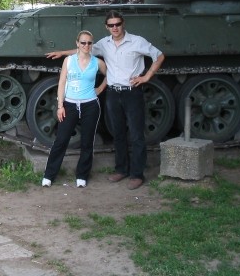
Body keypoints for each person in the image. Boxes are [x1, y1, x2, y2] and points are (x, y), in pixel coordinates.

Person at [46, 10, 165, 190]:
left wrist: (147, 76)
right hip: (113, 93)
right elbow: (84, 50)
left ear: (123, 23)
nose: (115, 28)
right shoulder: (104, 43)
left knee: (136, 134)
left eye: (117, 24)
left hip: (132, 92)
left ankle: (137, 174)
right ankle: (121, 169)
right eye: (111, 25)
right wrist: (63, 53)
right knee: (117, 133)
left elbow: (159, 55)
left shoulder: (137, 41)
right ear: (106, 27)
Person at [42, 30, 107, 188]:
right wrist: (60, 105)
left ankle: (82, 175)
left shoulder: (97, 62)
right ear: (77, 43)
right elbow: (62, 83)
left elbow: (110, 75)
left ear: (92, 44)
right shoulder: (69, 61)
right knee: (61, 140)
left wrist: (99, 89)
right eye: (83, 42)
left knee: (87, 141)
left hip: (90, 105)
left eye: (89, 43)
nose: (86, 45)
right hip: (70, 105)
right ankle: (49, 175)